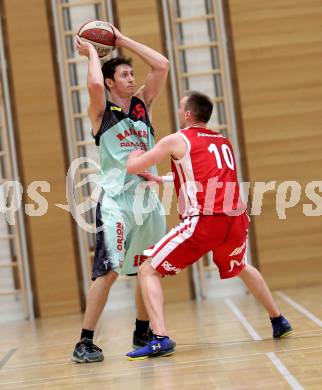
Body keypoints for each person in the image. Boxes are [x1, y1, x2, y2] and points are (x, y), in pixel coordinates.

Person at [125, 91, 293, 360]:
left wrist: (133, 154)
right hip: (235, 218)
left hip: (205, 219)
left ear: (188, 114)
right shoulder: (222, 140)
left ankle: (159, 338)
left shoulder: (177, 139)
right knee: (240, 266)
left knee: (147, 269)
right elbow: (205, 173)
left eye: (181, 107)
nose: (179, 111)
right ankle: (278, 320)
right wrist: (165, 181)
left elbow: (134, 167)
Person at [72, 24, 170, 363]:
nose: (131, 78)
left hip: (148, 202)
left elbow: (162, 65)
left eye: (132, 74)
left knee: (149, 266)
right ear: (112, 82)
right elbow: (96, 83)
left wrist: (121, 40)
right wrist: (90, 53)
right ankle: (84, 341)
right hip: (116, 203)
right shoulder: (101, 113)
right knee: (109, 270)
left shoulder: (142, 104)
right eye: (124, 74)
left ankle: (143, 331)